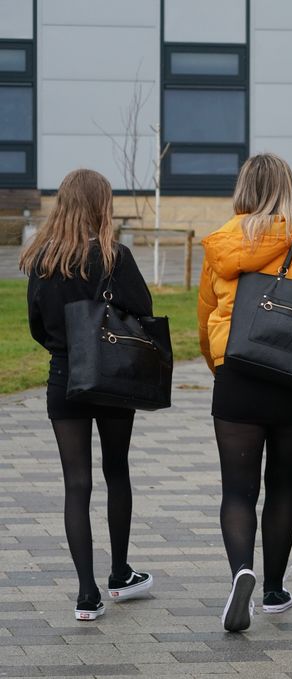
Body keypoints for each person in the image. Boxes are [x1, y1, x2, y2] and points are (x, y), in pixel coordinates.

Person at [198, 154, 292, 632]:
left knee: (238, 490)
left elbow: (206, 312)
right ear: (286, 190)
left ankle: (242, 570)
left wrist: (217, 362)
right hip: (291, 377)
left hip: (237, 374)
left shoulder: (219, 244)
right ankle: (274, 589)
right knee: (282, 484)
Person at [21, 169, 155, 621]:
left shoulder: (44, 261)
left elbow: (37, 325)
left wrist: (65, 348)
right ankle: (120, 573)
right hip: (115, 377)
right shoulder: (116, 257)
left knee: (76, 484)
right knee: (117, 471)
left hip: (65, 378)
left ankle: (85, 594)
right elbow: (145, 312)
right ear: (102, 205)